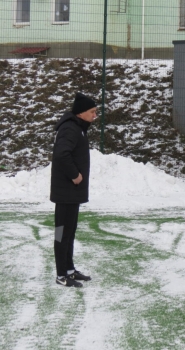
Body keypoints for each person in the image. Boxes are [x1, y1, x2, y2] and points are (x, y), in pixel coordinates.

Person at [50, 93, 97, 287]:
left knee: (69, 232)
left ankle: (69, 270)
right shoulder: (70, 129)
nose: (95, 115)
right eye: (92, 112)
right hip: (66, 193)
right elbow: (61, 154)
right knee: (61, 233)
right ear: (81, 113)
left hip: (71, 194)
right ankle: (61, 275)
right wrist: (75, 175)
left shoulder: (78, 128)